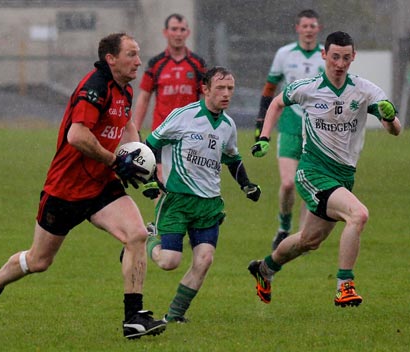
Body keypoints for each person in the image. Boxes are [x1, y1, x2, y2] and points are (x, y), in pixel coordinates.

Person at [0, 33, 167, 339]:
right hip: (66, 188)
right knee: (39, 260)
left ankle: (134, 318)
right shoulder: (95, 87)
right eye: (131, 54)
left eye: (138, 54)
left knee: (137, 234)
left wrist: (143, 161)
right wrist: (114, 161)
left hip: (101, 186)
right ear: (111, 58)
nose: (139, 61)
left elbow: (127, 126)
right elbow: (77, 135)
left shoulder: (124, 92)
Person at [249, 31, 401, 307]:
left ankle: (264, 269)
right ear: (324, 56)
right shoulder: (308, 87)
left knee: (309, 240)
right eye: (334, 57)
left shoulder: (365, 90)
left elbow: (395, 130)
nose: (340, 63)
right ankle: (345, 286)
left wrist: (390, 118)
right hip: (313, 172)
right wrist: (264, 137)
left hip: (343, 176)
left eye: (345, 57)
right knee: (358, 215)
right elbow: (277, 102)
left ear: (353, 57)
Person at [144, 66, 261, 322]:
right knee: (169, 261)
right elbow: (149, 145)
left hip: (209, 205)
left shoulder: (228, 125)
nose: (226, 93)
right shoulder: (183, 116)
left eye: (230, 88)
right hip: (177, 200)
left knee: (204, 260)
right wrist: (152, 180)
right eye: (220, 88)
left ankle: (174, 315)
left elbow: (232, 158)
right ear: (205, 89)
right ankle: (150, 237)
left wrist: (246, 184)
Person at [254, 9, 325, 250]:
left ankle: (304, 236)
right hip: (289, 127)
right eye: (304, 26)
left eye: (312, 25)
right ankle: (284, 226)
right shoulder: (284, 54)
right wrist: (260, 122)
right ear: (298, 28)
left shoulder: (326, 55)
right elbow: (269, 89)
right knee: (287, 183)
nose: (308, 29)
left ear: (318, 28)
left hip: (316, 131)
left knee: (309, 183)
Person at [133, 13, 206, 191]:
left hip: (190, 135)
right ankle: (161, 220)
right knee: (160, 180)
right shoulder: (156, 63)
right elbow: (144, 97)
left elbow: (206, 98)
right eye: (174, 29)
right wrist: (135, 130)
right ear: (165, 32)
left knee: (187, 184)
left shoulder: (197, 63)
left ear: (188, 33)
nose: (178, 34)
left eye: (182, 29)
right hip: (162, 133)